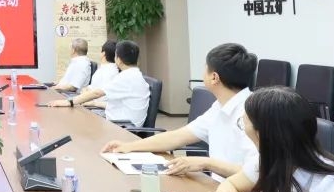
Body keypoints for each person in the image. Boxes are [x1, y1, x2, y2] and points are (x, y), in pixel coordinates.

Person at [100, 42, 258, 179]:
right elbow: (177, 137)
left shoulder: (253, 114)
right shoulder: (220, 106)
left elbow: (257, 173)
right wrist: (129, 146)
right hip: (219, 190)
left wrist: (206, 163)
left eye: (205, 68)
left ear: (214, 77)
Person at [81, 40, 150, 126]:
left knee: (82, 122)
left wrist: (71, 101)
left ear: (119, 60)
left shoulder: (124, 77)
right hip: (124, 124)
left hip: (122, 127)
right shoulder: (134, 75)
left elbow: (97, 93)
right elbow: (118, 105)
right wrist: (94, 103)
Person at [46, 41, 117, 108]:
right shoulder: (104, 68)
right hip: (88, 101)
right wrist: (86, 89)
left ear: (103, 54)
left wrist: (71, 101)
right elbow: (94, 87)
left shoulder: (110, 71)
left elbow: (97, 93)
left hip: (95, 107)